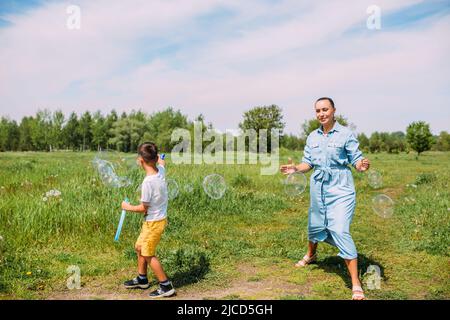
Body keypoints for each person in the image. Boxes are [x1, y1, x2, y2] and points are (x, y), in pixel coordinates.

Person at [280, 97, 370, 300]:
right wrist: (295, 168)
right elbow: (308, 163)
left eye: (325, 109)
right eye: (318, 110)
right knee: (315, 223)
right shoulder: (312, 137)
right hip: (318, 185)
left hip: (341, 186)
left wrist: (360, 165)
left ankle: (355, 282)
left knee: (340, 228)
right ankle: (311, 255)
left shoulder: (346, 134)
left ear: (334, 110)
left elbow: (356, 158)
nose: (321, 113)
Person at [122, 142, 175, 298]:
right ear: (155, 158)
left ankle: (166, 286)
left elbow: (142, 208)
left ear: (140, 160)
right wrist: (161, 159)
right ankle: (142, 278)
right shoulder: (160, 172)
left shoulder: (148, 183)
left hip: (154, 222)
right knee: (139, 247)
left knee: (148, 253)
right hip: (154, 221)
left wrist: (126, 206)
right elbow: (162, 163)